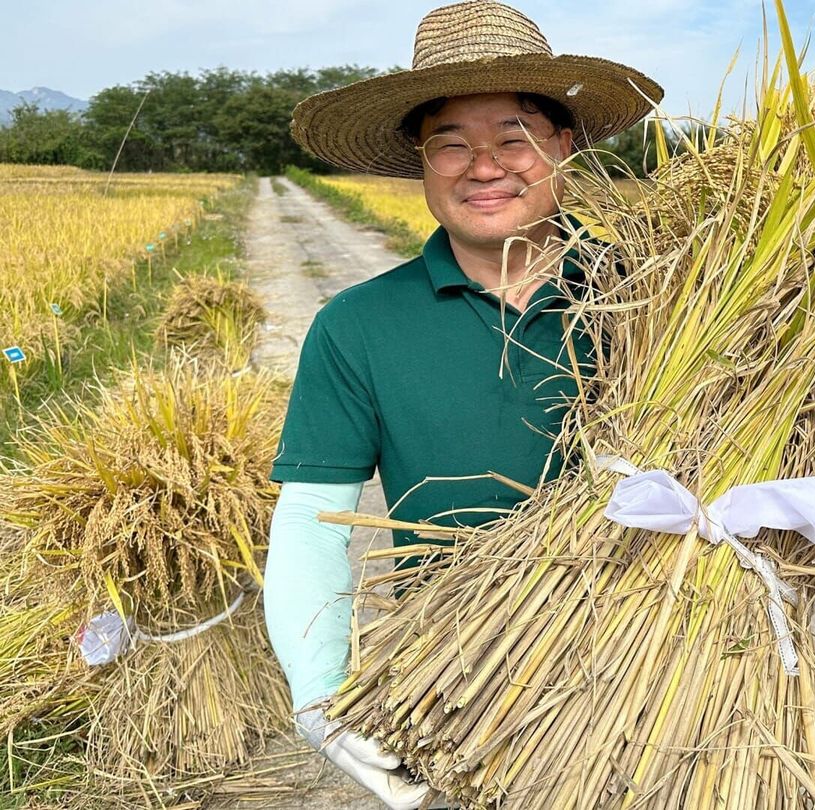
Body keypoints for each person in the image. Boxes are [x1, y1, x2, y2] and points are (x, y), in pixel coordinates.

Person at [261, 3, 662, 808]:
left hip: (664, 681)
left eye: (513, 136)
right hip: (464, 703)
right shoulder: (359, 326)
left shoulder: (666, 296)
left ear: (563, 145)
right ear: (421, 161)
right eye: (451, 142)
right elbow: (313, 515)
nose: (484, 167)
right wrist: (318, 691)